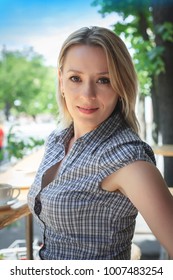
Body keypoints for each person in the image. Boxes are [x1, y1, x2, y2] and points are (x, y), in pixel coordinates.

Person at [27, 26, 173, 260]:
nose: (87, 94)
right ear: (61, 80)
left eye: (104, 80)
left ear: (121, 86)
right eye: (75, 78)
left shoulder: (127, 159)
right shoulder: (58, 139)